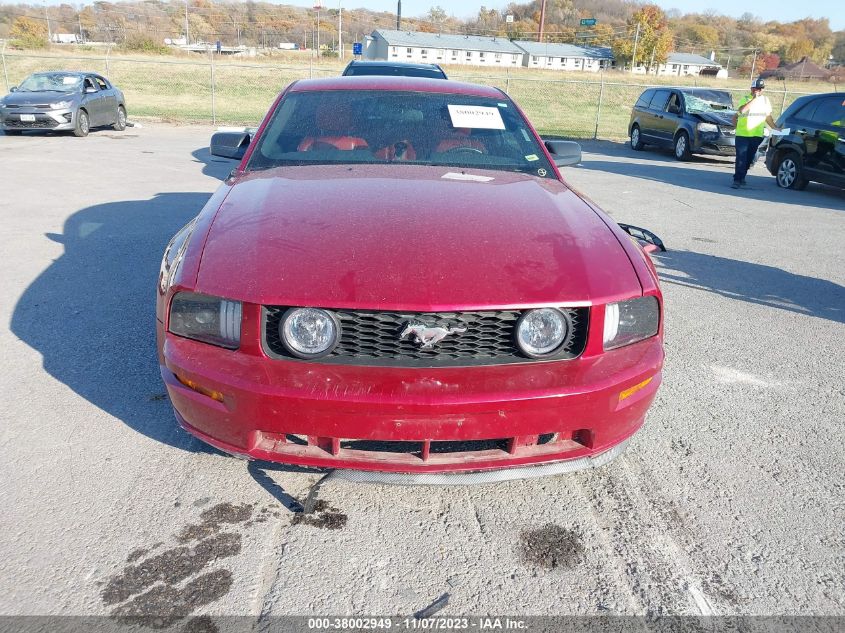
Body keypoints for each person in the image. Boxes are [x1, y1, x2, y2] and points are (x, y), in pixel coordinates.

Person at [732, 78, 780, 188]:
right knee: (741, 157)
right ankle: (737, 180)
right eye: (756, 88)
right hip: (743, 134)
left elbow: (768, 117)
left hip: (756, 135)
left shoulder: (765, 101)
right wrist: (754, 99)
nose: (758, 91)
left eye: (760, 89)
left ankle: (742, 176)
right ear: (752, 89)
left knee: (749, 158)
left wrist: (775, 128)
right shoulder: (745, 98)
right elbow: (742, 110)